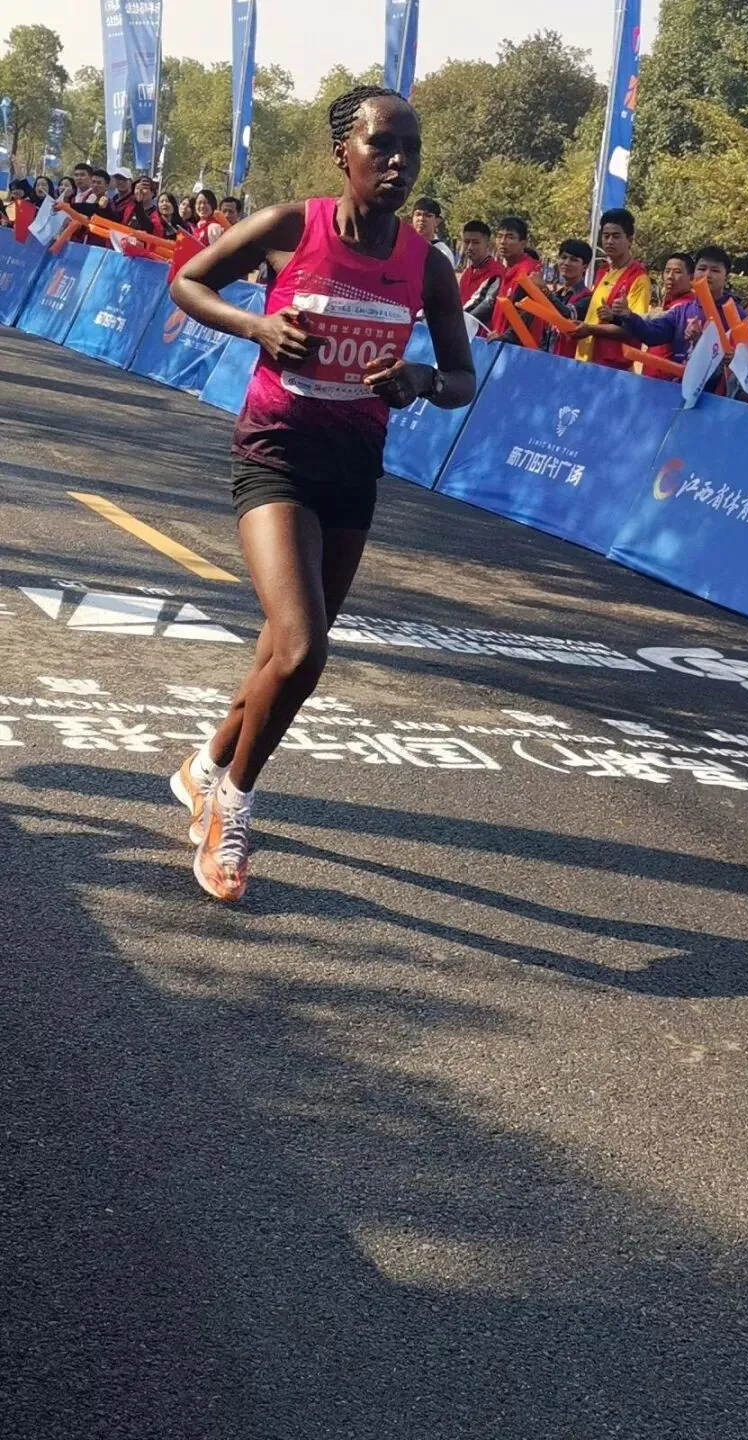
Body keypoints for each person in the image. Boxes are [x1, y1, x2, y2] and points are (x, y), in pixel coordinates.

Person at [168, 82, 475, 902]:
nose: (399, 162)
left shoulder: (427, 265)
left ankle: (204, 766)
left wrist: (418, 379)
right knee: (303, 649)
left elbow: (462, 379)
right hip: (275, 454)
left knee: (280, 651)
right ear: (344, 152)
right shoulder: (288, 228)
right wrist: (257, 326)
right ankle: (231, 807)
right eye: (382, 145)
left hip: (353, 469)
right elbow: (188, 282)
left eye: (410, 148)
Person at [610, 246, 736, 387]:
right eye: (702, 269)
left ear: (726, 277)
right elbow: (652, 334)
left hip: (716, 396)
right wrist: (627, 315)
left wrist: (704, 342)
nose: (707, 275)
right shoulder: (681, 312)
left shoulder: (736, 316)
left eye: (715, 270)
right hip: (676, 389)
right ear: (694, 274)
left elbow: (742, 364)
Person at [572, 208, 650, 369]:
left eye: (616, 236)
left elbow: (635, 329)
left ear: (629, 240)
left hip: (614, 367)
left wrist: (591, 329)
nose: (609, 241)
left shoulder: (638, 278)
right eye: (606, 236)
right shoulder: (603, 271)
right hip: (586, 358)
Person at [489, 215, 542, 342]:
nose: (503, 241)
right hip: (500, 342)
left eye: (510, 237)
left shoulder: (528, 271)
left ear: (523, 243)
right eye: (499, 236)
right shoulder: (507, 270)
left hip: (518, 348)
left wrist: (506, 338)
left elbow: (528, 313)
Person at [541, 238, 593, 358]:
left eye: (574, 260)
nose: (566, 263)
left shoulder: (587, 297)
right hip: (547, 358)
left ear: (585, 266)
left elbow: (567, 315)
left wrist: (545, 291)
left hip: (569, 362)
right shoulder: (557, 295)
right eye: (563, 257)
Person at [457, 219, 502, 326]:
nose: (470, 247)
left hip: (480, 332)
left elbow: (480, 305)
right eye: (466, 242)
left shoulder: (496, 273)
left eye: (476, 242)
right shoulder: (467, 272)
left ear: (488, 244)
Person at [410, 196, 455, 265]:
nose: (421, 219)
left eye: (428, 215)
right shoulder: (402, 246)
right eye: (418, 214)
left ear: (437, 221)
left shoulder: (443, 253)